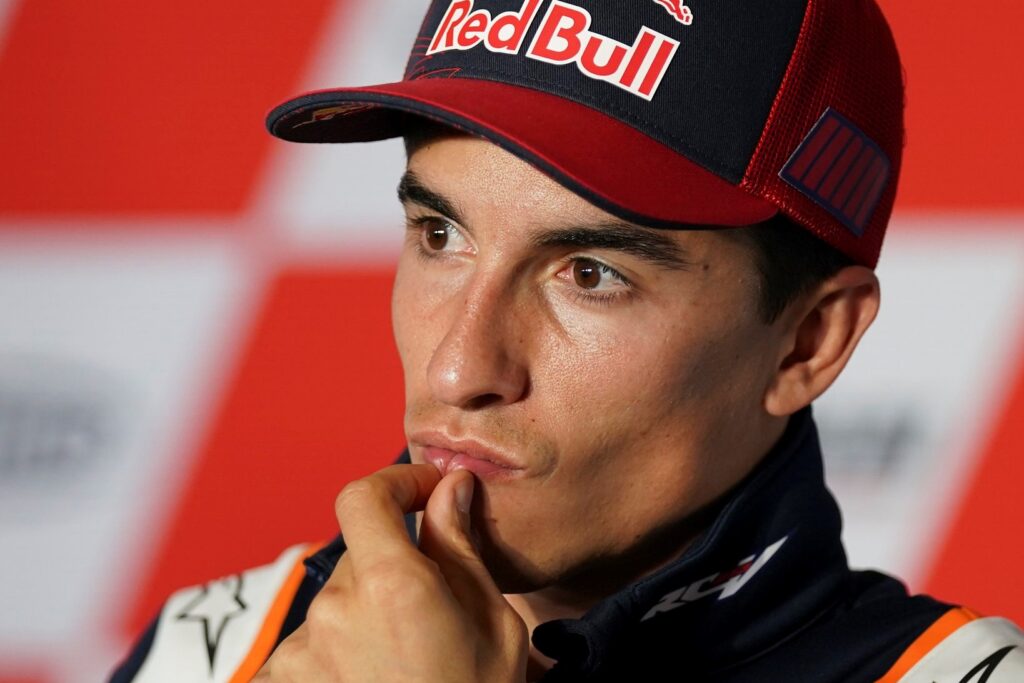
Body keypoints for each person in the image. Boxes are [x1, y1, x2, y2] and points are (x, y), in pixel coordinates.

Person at [110, 0, 1024, 681]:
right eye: (440, 234)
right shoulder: (215, 646)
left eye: (589, 272)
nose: (458, 368)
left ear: (809, 343)